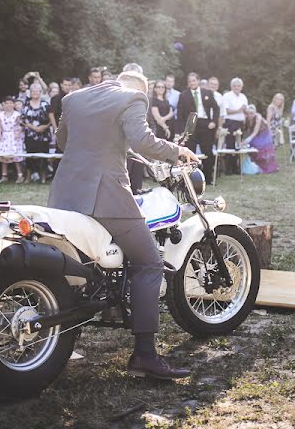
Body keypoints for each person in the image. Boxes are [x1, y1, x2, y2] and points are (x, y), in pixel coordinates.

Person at [47, 70, 198, 380]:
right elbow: (143, 140)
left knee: (77, 265)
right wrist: (177, 151)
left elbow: (64, 141)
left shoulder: (73, 98)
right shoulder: (133, 97)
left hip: (64, 194)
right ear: (139, 88)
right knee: (150, 263)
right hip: (105, 194)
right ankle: (145, 355)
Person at [175, 72, 221, 183]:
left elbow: (216, 108)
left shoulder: (207, 93)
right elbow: (180, 115)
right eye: (189, 81)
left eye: (194, 80)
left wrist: (214, 122)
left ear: (198, 81)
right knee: (190, 153)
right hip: (191, 126)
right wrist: (181, 131)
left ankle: (208, 178)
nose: (192, 83)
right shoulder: (183, 95)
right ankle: (190, 179)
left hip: (205, 125)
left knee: (208, 152)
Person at [21, 82, 55, 183]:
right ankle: (28, 177)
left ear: (40, 92)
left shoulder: (45, 104)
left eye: (37, 91)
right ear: (30, 93)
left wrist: (44, 127)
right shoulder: (26, 104)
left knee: (44, 157)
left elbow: (51, 119)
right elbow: (22, 120)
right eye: (33, 91)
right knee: (29, 157)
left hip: (44, 135)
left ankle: (43, 177)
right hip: (30, 135)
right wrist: (34, 128)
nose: (35, 93)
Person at [221, 78, 249, 172]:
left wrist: (245, 111)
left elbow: (245, 111)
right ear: (231, 86)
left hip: (240, 123)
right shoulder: (227, 96)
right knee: (230, 145)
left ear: (241, 87)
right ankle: (229, 168)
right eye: (234, 86)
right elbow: (227, 111)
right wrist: (239, 110)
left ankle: (237, 167)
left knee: (238, 145)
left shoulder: (243, 97)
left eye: (238, 86)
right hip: (230, 123)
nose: (236, 87)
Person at [0, 95, 26, 182]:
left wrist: (18, 133)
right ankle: (4, 175)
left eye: (10, 103)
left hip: (14, 137)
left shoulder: (17, 115)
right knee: (4, 156)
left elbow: (21, 126)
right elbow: (0, 126)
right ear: (3, 104)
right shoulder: (0, 114)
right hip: (5, 136)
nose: (9, 105)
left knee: (15, 157)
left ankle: (20, 175)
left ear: (13, 104)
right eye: (7, 103)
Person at [244, 105, 278, 173]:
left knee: (261, 148)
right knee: (251, 147)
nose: (249, 115)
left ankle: (268, 168)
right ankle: (255, 166)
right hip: (255, 134)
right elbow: (247, 129)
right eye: (248, 113)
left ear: (254, 113)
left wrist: (247, 140)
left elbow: (255, 131)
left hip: (264, 134)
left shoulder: (258, 117)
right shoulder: (246, 119)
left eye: (251, 113)